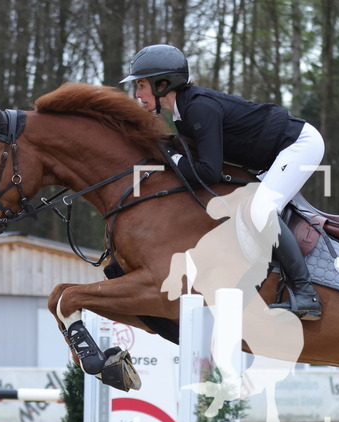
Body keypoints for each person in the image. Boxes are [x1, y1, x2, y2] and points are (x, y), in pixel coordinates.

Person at [120, 44, 323, 321]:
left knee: (261, 210)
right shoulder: (183, 113)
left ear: (162, 84)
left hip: (298, 145)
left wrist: (172, 157)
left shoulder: (199, 108)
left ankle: (306, 294)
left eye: (141, 86)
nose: (138, 94)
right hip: (269, 158)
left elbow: (206, 172)